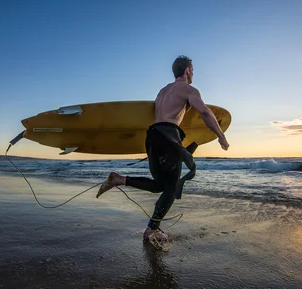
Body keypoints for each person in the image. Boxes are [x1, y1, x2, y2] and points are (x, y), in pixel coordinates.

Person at [96, 56, 229, 243]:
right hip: (168, 136)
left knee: (159, 185)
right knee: (171, 188)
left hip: (152, 137)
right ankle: (151, 229)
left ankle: (119, 179)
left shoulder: (162, 91)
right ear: (188, 71)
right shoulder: (189, 89)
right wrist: (221, 135)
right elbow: (205, 112)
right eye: (193, 71)